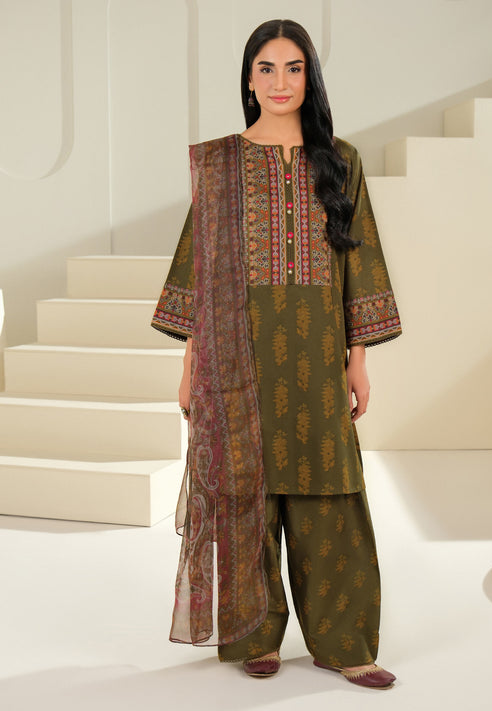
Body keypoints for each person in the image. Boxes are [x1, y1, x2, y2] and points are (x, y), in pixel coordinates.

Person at [151, 18, 402, 690]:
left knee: (331, 490)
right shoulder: (221, 164)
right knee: (245, 495)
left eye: (294, 68)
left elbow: (358, 260)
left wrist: (357, 357)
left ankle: (345, 643)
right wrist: (189, 368)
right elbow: (201, 270)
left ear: (310, 79)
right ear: (248, 79)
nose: (280, 82)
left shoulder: (339, 160)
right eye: (266, 68)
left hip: (317, 352)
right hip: (238, 353)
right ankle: (254, 635)